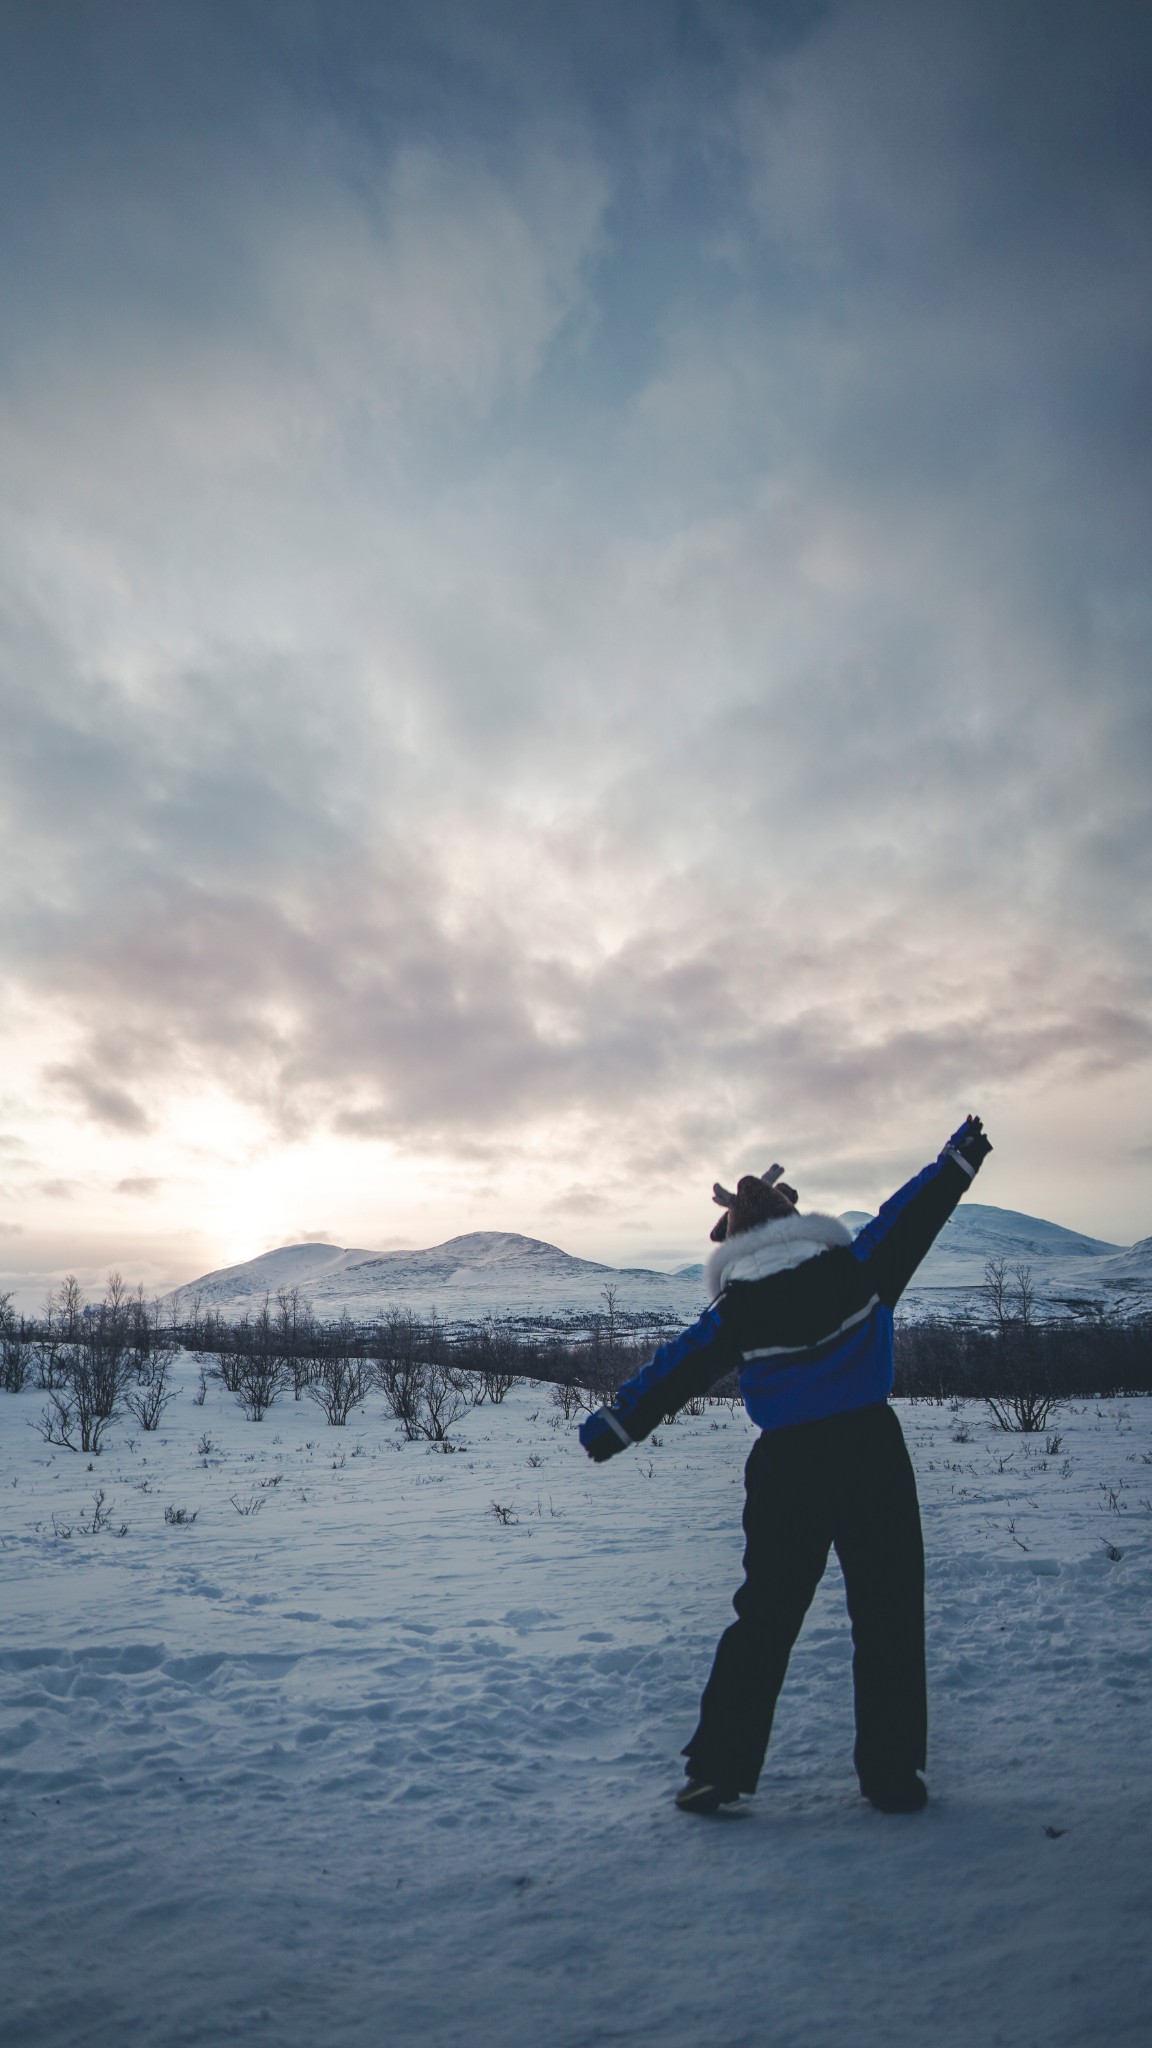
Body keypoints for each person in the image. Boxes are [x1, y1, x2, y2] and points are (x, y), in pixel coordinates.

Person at [579, 1114, 992, 1816]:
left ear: (732, 1242)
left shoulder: (735, 1311)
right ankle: (892, 1776)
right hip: (871, 1451)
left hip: (788, 1467)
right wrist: (959, 1157)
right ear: (796, 1217)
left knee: (764, 1616)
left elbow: (674, 1371)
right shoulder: (859, 1267)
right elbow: (913, 1213)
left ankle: (717, 1769)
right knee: (888, 1611)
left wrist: (612, 1427)